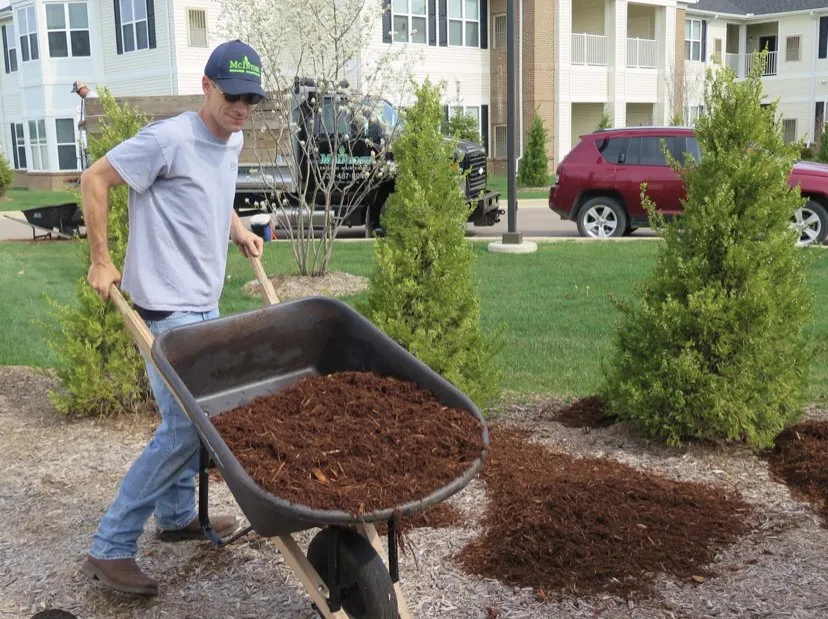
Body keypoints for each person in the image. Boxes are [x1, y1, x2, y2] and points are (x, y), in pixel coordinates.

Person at [79, 40, 267, 597]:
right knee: (188, 425)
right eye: (233, 97)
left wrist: (236, 229)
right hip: (163, 310)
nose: (241, 109)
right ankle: (110, 546)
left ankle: (180, 515)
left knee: (195, 421)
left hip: (203, 303)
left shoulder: (228, 140)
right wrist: (100, 259)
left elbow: (216, 192)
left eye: (250, 100)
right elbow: (95, 179)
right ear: (207, 87)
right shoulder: (169, 138)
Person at [71, 80, 98, 169]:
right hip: (91, 131)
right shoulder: (86, 98)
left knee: (95, 155)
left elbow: (96, 114)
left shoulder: (91, 97)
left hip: (96, 132)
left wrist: (84, 121)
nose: (78, 94)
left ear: (83, 88)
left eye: (78, 91)